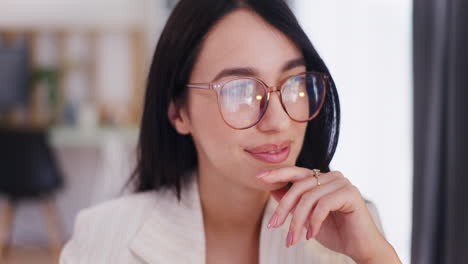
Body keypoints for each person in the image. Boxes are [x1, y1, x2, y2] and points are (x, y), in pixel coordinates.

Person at [60, 0, 402, 263]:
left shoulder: (351, 227)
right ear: (179, 112)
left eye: (294, 84)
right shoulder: (102, 239)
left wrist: (375, 257)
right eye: (240, 90)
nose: (278, 121)